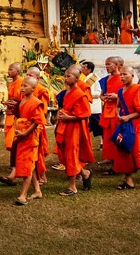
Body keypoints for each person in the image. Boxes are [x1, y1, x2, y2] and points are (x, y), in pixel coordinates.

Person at [111, 65, 140, 189]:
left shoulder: (138, 89)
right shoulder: (120, 90)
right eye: (121, 75)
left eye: (125, 74)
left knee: (136, 151)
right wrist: (117, 113)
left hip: (136, 124)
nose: (122, 77)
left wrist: (129, 117)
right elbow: (118, 105)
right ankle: (128, 181)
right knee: (123, 150)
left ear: (132, 76)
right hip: (124, 124)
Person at [54, 65, 94, 196]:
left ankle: (72, 187)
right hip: (64, 127)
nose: (65, 79)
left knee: (71, 155)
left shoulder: (80, 94)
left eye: (68, 76)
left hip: (74, 129)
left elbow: (85, 113)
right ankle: (85, 173)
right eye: (65, 76)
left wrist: (68, 117)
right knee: (66, 155)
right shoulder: (66, 92)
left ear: (77, 78)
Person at [11, 76, 47, 205]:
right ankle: (37, 191)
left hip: (30, 139)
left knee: (27, 166)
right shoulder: (22, 101)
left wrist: (25, 132)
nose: (22, 88)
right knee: (28, 165)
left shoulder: (35, 102)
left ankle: (23, 194)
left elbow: (37, 122)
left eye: (25, 86)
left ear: (33, 88)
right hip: (21, 137)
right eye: (22, 86)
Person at [98, 56, 124, 165]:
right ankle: (108, 157)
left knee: (115, 133)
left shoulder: (122, 78)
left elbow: (126, 94)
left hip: (117, 109)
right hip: (107, 109)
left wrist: (116, 96)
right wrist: (102, 97)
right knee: (107, 134)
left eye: (109, 64)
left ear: (118, 65)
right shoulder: (106, 79)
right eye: (106, 64)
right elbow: (102, 94)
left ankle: (117, 157)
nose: (106, 66)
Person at [2, 63, 23, 169]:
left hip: (17, 114)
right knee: (9, 141)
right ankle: (13, 163)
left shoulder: (21, 83)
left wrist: (15, 103)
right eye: (8, 69)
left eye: (11, 69)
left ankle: (16, 164)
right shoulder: (11, 84)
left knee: (13, 140)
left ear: (17, 71)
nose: (8, 71)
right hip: (10, 113)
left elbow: (23, 99)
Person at [81, 61, 103, 141]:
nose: (82, 69)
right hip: (86, 106)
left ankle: (102, 142)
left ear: (89, 69)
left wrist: (87, 94)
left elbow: (99, 92)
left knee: (99, 126)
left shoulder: (95, 79)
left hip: (94, 107)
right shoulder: (83, 79)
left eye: (84, 68)